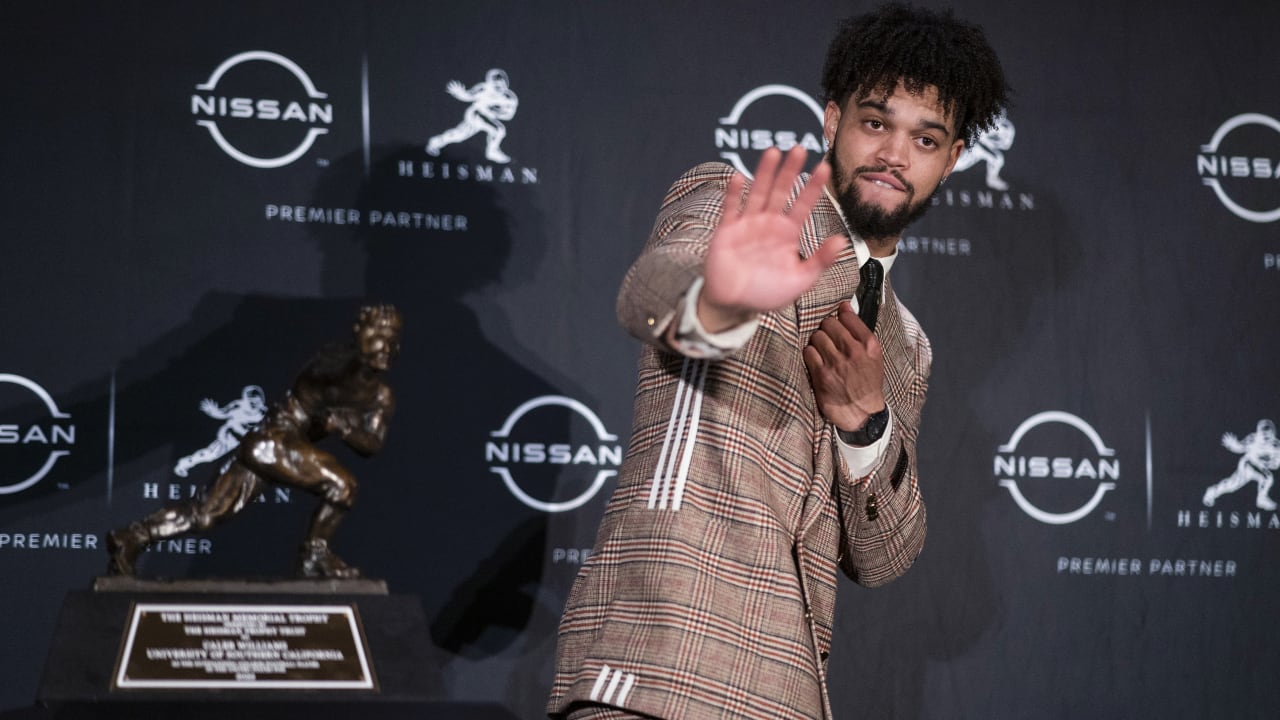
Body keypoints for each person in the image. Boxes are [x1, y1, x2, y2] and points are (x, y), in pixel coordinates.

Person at [548, 5, 1009, 719]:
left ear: (950, 161)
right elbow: (650, 293)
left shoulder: (907, 343)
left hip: (787, 697)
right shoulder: (743, 209)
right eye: (876, 122)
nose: (894, 154)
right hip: (658, 666)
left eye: (925, 137)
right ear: (832, 121)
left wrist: (865, 424)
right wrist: (722, 300)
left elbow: (885, 557)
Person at [107, 304, 402, 579]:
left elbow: (372, 444)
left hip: (277, 449)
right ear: (360, 336)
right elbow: (324, 376)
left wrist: (341, 428)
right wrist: (356, 365)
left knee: (208, 513)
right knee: (342, 485)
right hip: (274, 438)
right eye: (378, 337)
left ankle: (132, 538)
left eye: (392, 340)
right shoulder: (333, 359)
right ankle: (314, 556)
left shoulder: (381, 398)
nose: (386, 347)